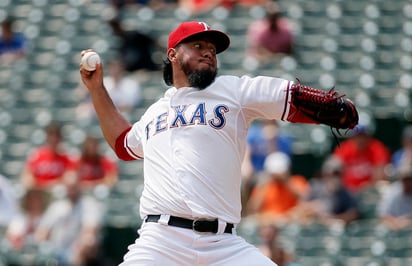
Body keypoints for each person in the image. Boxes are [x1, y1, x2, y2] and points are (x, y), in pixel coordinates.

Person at [79, 21, 358, 265]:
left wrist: (334, 109)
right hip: (162, 241)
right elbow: (122, 144)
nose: (208, 53)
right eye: (198, 45)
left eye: (212, 49)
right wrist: (97, 89)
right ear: (173, 55)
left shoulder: (232, 91)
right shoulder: (154, 112)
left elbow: (290, 96)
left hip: (223, 246)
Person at [34, 174, 104, 266]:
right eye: (69, 187)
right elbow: (42, 231)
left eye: (74, 186)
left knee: (88, 241)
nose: (72, 190)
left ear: (79, 185)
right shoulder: (57, 206)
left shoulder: (89, 205)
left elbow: (90, 231)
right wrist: (45, 245)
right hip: (56, 249)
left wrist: (79, 247)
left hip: (78, 250)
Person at [244, 152, 310, 225]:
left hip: (290, 223)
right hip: (269, 224)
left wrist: (285, 181)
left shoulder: (297, 181)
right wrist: (265, 183)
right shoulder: (263, 186)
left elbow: (305, 199)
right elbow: (252, 209)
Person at [300, 155, 360, 225]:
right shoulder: (315, 187)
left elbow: (353, 214)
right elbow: (302, 207)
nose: (334, 177)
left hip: (336, 230)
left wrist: (332, 219)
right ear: (325, 173)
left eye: (337, 174)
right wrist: (314, 207)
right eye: (332, 173)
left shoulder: (347, 193)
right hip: (315, 227)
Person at [333, 124, 391, 194]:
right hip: (348, 190)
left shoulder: (376, 148)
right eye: (358, 136)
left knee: (383, 186)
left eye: (363, 136)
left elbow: (380, 171)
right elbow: (336, 170)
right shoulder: (344, 149)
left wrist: (368, 185)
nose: (360, 139)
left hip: (371, 189)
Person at [19, 121, 75, 190]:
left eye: (56, 136)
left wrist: (47, 185)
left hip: (58, 194)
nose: (54, 139)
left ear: (60, 138)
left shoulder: (67, 158)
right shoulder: (37, 156)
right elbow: (27, 178)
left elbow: (69, 180)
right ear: (47, 137)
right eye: (51, 135)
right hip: (39, 194)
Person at [378, 163, 412, 231]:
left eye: (410, 179)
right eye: (405, 180)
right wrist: (396, 223)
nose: (408, 183)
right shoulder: (393, 191)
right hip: (395, 230)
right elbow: (383, 216)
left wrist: (408, 222)